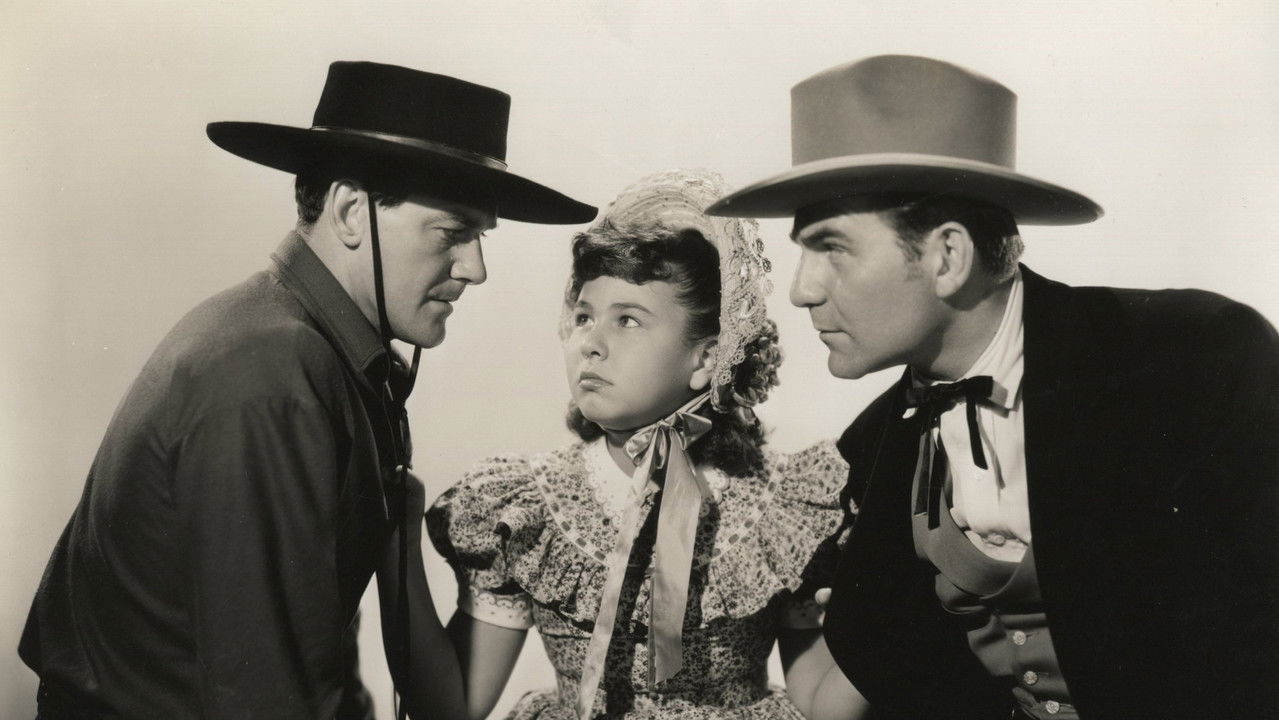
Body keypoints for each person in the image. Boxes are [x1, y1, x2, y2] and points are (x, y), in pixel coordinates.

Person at [707, 55, 1279, 720]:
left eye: (830, 247)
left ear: (947, 256)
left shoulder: (1197, 357)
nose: (801, 289)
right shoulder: (872, 448)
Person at [18, 60, 595, 720]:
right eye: (453, 233)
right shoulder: (273, 372)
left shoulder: (317, 352)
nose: (476, 268)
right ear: (351, 212)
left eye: (479, 238)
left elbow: (311, 662)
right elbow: (269, 698)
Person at [382, 169, 870, 720]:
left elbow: (824, 705)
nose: (591, 343)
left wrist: (905, 597)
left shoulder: (783, 505)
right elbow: (450, 709)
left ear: (707, 358)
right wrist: (397, 546)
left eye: (628, 321)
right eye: (584, 317)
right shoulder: (528, 506)